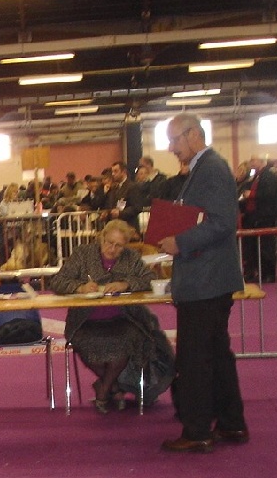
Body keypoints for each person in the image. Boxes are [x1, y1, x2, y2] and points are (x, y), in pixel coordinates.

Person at [158, 113, 248, 453]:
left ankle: (197, 431)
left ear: (194, 134)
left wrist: (179, 241)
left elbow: (222, 222)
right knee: (217, 355)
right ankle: (231, 423)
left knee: (195, 359)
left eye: (174, 140)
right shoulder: (206, 168)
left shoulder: (211, 169)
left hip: (206, 280)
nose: (171, 148)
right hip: (209, 279)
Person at [49, 220, 154, 414]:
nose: (112, 249)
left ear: (126, 246)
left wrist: (126, 284)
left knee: (125, 345)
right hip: (85, 321)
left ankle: (103, 389)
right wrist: (80, 287)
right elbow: (58, 281)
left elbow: (149, 279)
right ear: (101, 237)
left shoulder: (131, 258)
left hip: (124, 319)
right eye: (109, 242)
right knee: (88, 349)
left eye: (119, 246)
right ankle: (113, 387)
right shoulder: (83, 254)